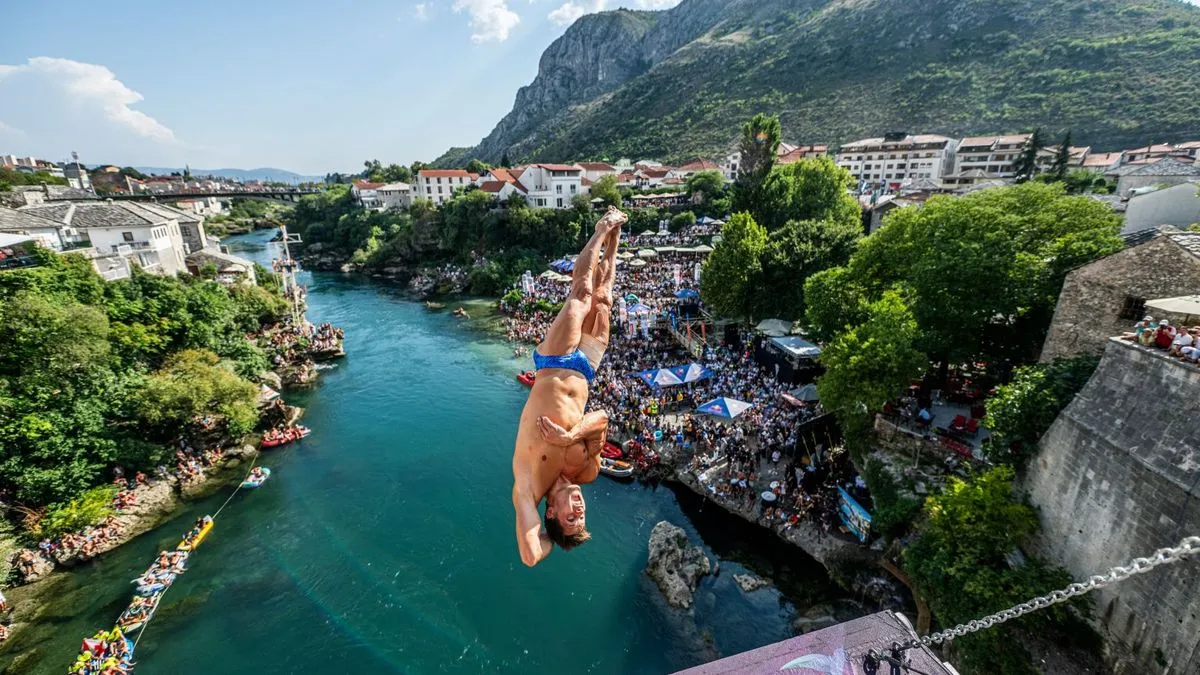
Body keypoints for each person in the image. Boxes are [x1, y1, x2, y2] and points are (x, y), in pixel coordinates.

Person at [512, 207, 625, 567]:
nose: (580, 508)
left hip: (555, 364)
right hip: (587, 370)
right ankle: (616, 237)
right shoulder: (586, 471)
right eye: (583, 515)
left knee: (581, 294)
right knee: (604, 300)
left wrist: (555, 541)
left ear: (550, 516)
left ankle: (601, 228)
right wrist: (570, 435)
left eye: (572, 517)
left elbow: (530, 556)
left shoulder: (529, 487)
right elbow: (603, 419)